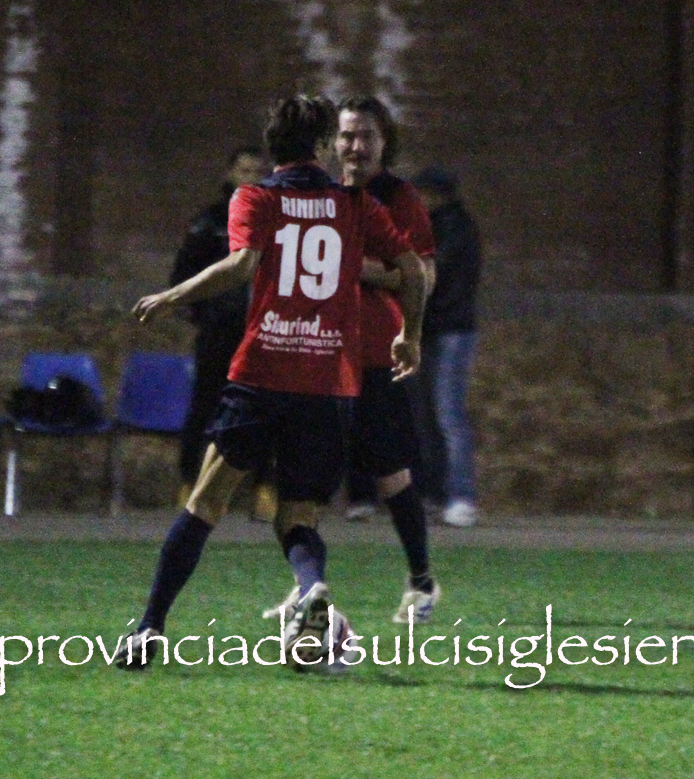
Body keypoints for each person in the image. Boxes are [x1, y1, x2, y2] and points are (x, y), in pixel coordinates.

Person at [119, 95, 426, 670]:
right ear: (321, 146)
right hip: (328, 382)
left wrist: (171, 294)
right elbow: (411, 269)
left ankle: (149, 628)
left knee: (206, 503)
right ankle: (311, 587)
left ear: (272, 147)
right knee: (298, 515)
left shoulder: (255, 197)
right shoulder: (354, 204)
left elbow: (240, 266)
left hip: (263, 373)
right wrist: (409, 335)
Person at [263, 95, 441, 624]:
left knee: (390, 474)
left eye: (365, 136)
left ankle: (422, 582)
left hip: (373, 354)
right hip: (320, 354)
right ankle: (306, 586)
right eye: (346, 135)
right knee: (305, 482)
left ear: (385, 142)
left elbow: (422, 275)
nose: (354, 146)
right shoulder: (325, 195)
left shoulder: (398, 197)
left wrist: (358, 269)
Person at [169, 146, 277, 520]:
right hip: (220, 331)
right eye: (243, 170)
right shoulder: (211, 221)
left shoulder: (277, 220)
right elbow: (185, 273)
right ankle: (189, 483)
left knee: (266, 411)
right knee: (205, 408)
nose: (250, 177)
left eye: (257, 171)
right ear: (230, 174)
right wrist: (204, 312)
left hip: (266, 332)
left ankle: (265, 488)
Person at [411, 167, 482, 527]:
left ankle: (461, 496)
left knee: (447, 414)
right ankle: (437, 494)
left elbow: (434, 277)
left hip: (449, 329)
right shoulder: (437, 226)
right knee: (430, 415)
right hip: (435, 329)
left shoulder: (454, 228)